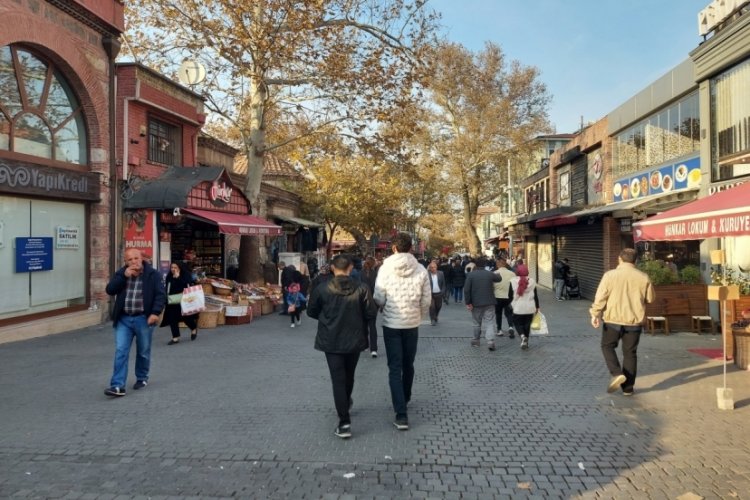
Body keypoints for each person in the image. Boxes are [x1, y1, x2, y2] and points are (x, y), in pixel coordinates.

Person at [307, 254, 377, 439]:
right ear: (350, 268)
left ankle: (344, 422)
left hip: (331, 339)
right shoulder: (362, 288)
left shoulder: (322, 288)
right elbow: (371, 312)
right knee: (349, 375)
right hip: (354, 338)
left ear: (332, 267)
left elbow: (311, 311)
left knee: (338, 379)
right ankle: (345, 404)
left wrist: (327, 317)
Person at [373, 232, 431, 431]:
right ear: (411, 248)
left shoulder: (385, 268)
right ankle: (405, 397)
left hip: (391, 324)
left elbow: (379, 296)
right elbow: (426, 300)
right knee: (409, 364)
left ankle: (401, 414)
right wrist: (419, 316)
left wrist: (384, 306)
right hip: (412, 324)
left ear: (394, 248)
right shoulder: (421, 269)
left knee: (394, 367)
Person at [590, 248, 655, 396]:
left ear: (620, 259)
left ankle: (616, 373)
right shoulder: (643, 277)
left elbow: (600, 297)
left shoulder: (609, 275)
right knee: (630, 353)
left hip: (613, 320)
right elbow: (650, 298)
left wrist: (595, 314)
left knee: (607, 346)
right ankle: (628, 388)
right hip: (634, 322)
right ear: (636, 261)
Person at [104, 248, 166, 397]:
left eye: (136, 258)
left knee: (143, 351)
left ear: (141, 258)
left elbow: (161, 295)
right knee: (121, 351)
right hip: (124, 319)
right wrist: (123, 277)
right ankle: (117, 386)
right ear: (125, 262)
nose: (133, 262)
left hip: (143, 318)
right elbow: (110, 290)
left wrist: (155, 313)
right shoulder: (122, 273)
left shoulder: (153, 275)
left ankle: (142, 377)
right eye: (130, 260)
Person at [464, 256, 501, 350]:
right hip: (489, 302)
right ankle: (490, 341)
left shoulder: (471, 275)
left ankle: (476, 340)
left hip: (476, 303)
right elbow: (499, 279)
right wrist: (498, 272)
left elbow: (466, 290)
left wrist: (468, 302)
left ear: (476, 265)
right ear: (485, 265)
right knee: (489, 322)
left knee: (476, 322)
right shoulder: (489, 274)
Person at [161, 261, 199, 345]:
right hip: (172, 300)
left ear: (180, 268)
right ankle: (175, 337)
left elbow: (187, 286)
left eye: (175, 267)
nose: (173, 269)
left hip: (183, 300)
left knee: (186, 318)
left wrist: (178, 278)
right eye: (172, 267)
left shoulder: (185, 276)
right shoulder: (169, 276)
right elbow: (167, 288)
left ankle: (193, 328)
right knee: (172, 319)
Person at [508, 264, 539, 350]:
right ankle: (526, 342)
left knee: (517, 323)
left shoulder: (513, 281)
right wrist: (537, 306)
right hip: (530, 307)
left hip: (518, 307)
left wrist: (510, 304)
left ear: (517, 272)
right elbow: (536, 296)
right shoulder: (532, 281)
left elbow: (509, 296)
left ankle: (522, 336)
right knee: (527, 324)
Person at [361, 256, 380, 357]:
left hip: (362, 302)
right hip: (373, 303)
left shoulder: (360, 274)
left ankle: (365, 344)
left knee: (363, 324)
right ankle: (374, 349)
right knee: (372, 325)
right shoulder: (376, 274)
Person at [493, 256, 516, 338]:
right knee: (509, 313)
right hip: (509, 297)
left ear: (498, 264)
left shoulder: (494, 273)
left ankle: (499, 330)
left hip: (497, 296)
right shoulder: (512, 274)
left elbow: (491, 286)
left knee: (498, 313)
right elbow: (515, 286)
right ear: (505, 264)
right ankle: (510, 327)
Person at [427, 260, 446, 326]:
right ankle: (432, 320)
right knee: (432, 307)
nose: (433, 269)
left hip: (439, 293)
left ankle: (435, 316)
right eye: (432, 267)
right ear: (429, 268)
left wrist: (442, 292)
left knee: (438, 306)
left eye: (434, 267)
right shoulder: (427, 274)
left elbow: (443, 284)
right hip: (430, 294)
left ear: (436, 267)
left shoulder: (441, 273)